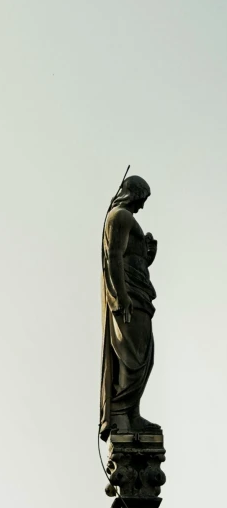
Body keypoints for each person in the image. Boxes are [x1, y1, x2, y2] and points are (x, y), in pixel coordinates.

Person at [100, 176, 159, 444]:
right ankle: (124, 414)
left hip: (139, 294)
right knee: (132, 356)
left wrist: (148, 256)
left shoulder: (126, 218)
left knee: (143, 356)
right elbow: (114, 256)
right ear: (133, 194)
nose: (143, 207)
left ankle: (131, 412)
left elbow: (131, 259)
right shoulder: (120, 216)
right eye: (142, 199)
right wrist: (121, 297)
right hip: (130, 297)